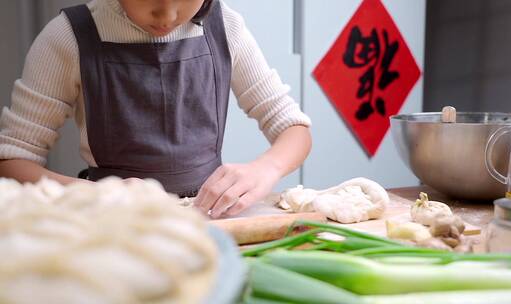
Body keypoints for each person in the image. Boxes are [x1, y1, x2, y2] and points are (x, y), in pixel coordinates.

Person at [0, 0, 312, 218]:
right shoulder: (68, 37)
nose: (167, 14)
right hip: (109, 223)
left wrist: (265, 169)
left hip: (208, 221)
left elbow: (293, 129)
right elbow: (12, 161)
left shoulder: (225, 26)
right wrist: (96, 194)